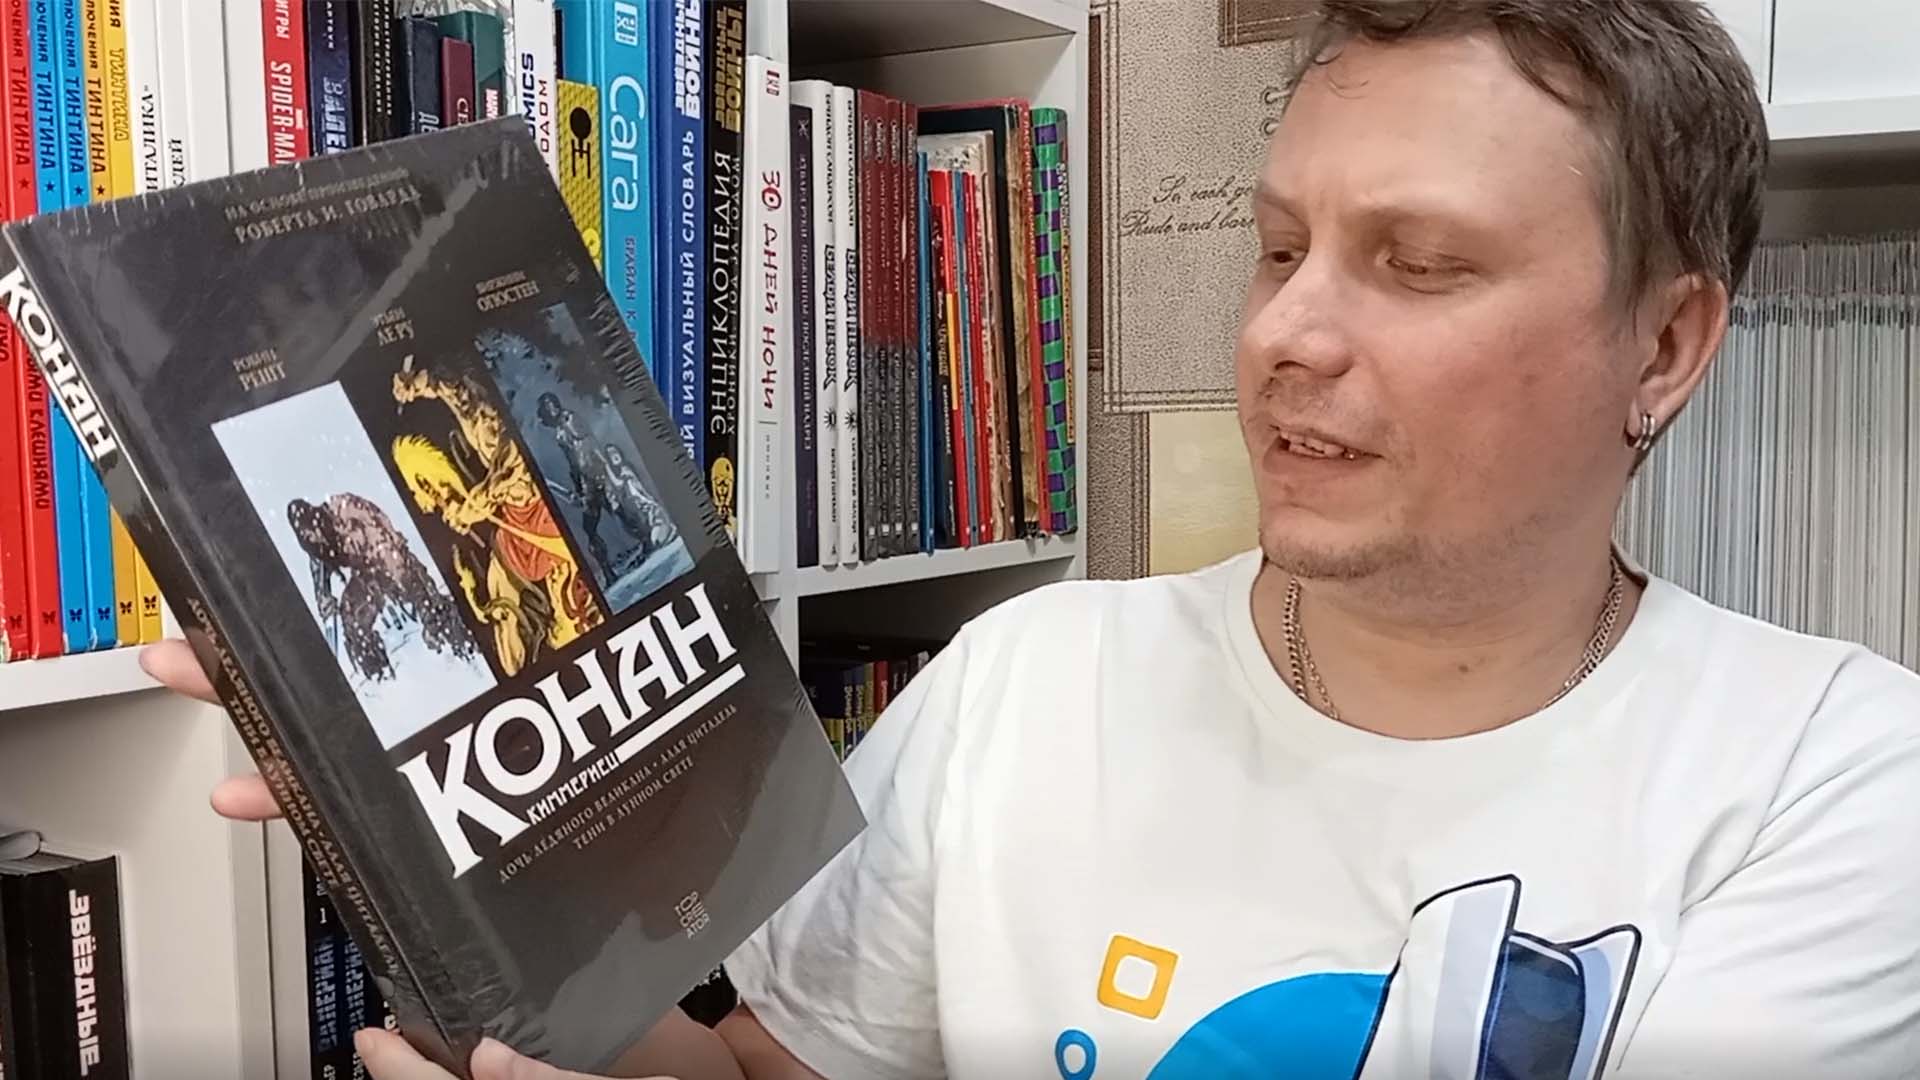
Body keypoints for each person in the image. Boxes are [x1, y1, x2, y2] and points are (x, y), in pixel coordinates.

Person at [142, 1, 1920, 1077]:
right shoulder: (1030, 678)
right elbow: (766, 1068)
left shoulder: (1838, 785)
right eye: (1278, 247)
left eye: (1421, 263)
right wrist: (461, 849)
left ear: (1667, 346)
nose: (1287, 332)